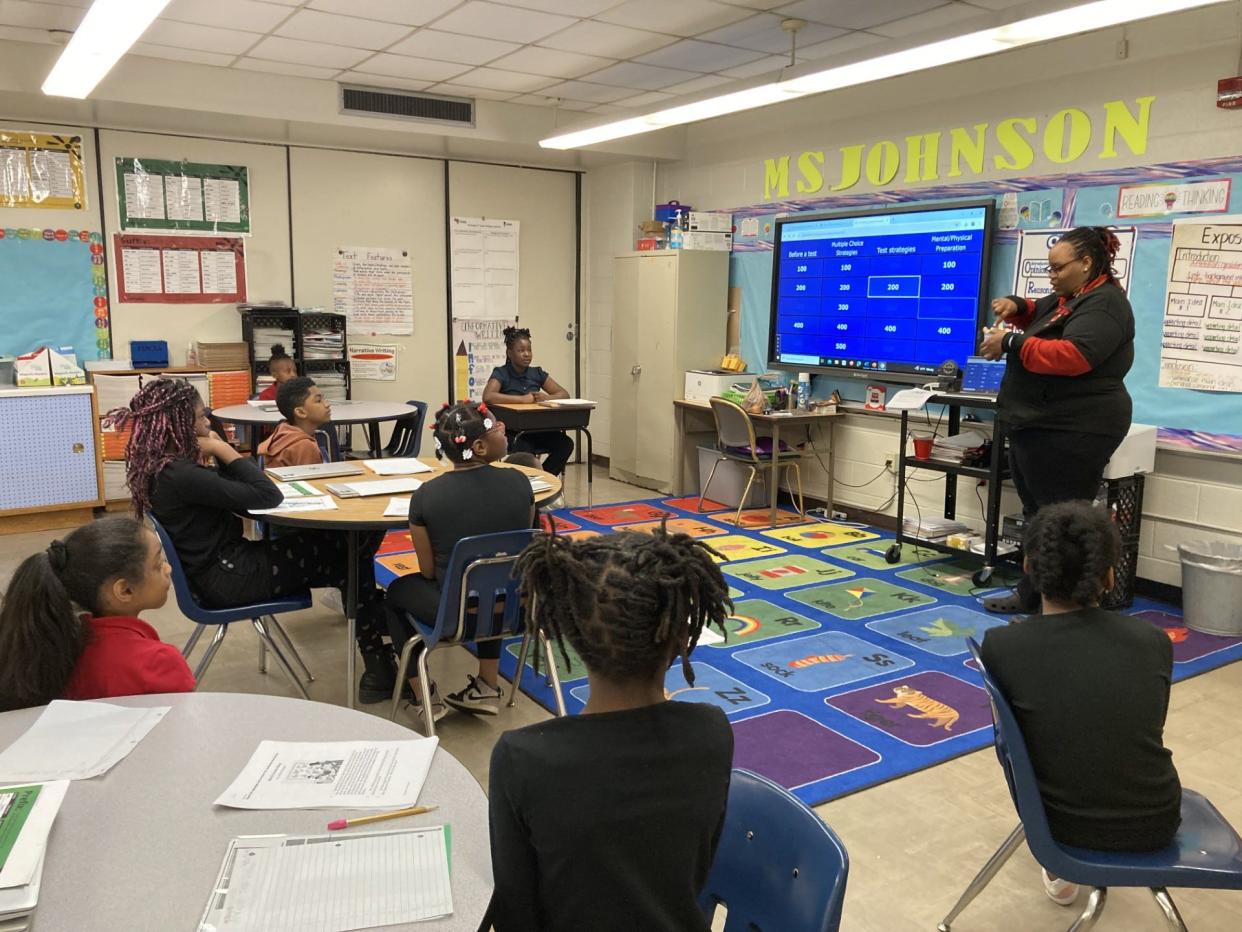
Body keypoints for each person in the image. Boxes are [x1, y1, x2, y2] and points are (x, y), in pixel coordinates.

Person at [487, 529, 734, 932]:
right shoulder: (712, 731)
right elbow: (695, 870)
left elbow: (516, 913)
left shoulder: (522, 758)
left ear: (570, 634)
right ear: (680, 637)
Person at [112, 378, 396, 703]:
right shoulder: (182, 475)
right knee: (352, 555)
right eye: (201, 417)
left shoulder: (164, 469)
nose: (208, 423)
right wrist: (222, 448)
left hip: (220, 572)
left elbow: (240, 495)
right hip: (230, 577)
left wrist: (218, 454)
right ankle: (377, 651)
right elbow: (266, 495)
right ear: (180, 424)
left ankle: (376, 647)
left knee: (350, 550)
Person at [981, 501, 1181, 906]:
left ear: (1028, 570)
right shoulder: (1153, 641)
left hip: (1055, 828)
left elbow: (1013, 745)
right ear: (1109, 575)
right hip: (1156, 822)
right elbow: (1145, 723)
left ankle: (1058, 867)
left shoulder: (1001, 646)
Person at [980, 226, 1135, 614]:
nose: (1051, 277)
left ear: (1085, 263)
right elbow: (1041, 313)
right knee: (1038, 516)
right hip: (1037, 423)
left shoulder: (1105, 304)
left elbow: (1073, 355)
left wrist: (1010, 342)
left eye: (1057, 269)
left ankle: (1068, 608)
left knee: (1063, 522)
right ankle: (1035, 595)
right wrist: (1016, 307)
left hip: (1075, 428)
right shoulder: (1074, 296)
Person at [385, 402, 533, 719]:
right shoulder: (520, 483)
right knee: (495, 576)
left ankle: (425, 696)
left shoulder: (426, 495)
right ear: (478, 446)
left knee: (394, 594)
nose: (503, 429)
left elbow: (426, 571)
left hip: (454, 615)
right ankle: (487, 686)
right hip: (516, 608)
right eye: (497, 427)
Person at [0, 516, 194, 711]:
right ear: (125, 590)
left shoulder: (52, 645)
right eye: (158, 564)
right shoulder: (159, 663)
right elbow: (181, 725)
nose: (168, 568)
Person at [483, 326, 574, 475]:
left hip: (539, 429)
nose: (526, 354)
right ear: (509, 353)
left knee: (565, 444)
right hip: (514, 432)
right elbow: (488, 396)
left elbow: (564, 394)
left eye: (529, 350)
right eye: (521, 350)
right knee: (525, 450)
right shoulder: (501, 373)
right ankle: (530, 484)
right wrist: (521, 400)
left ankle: (545, 477)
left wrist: (547, 397)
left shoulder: (537, 373)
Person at [257, 376, 330, 468]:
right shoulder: (304, 446)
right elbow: (312, 482)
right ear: (300, 412)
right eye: (319, 401)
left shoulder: (283, 431)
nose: (327, 404)